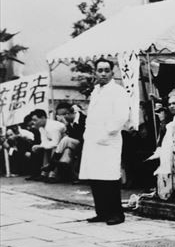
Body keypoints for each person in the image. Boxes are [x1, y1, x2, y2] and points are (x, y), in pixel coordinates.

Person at [79, 58, 130, 225]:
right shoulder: (96, 91)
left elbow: (121, 115)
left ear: (112, 72)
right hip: (93, 140)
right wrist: (89, 134)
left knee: (109, 177)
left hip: (109, 139)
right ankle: (102, 212)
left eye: (106, 70)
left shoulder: (118, 91)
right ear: (95, 72)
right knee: (95, 177)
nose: (103, 73)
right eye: (100, 70)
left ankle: (116, 214)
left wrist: (107, 132)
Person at [42, 102, 87, 183]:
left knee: (66, 140)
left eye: (62, 115)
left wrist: (66, 124)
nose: (61, 118)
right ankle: (54, 170)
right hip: (75, 144)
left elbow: (79, 136)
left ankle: (51, 165)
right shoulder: (71, 121)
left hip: (84, 143)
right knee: (65, 145)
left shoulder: (83, 119)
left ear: (68, 113)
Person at [29, 109, 66, 182]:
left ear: (43, 118)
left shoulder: (53, 126)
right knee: (45, 149)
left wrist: (41, 146)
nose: (34, 122)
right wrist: (39, 146)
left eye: (35, 120)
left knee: (54, 148)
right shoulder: (41, 127)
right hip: (57, 143)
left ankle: (53, 174)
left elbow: (55, 142)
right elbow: (44, 141)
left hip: (64, 143)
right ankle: (44, 173)